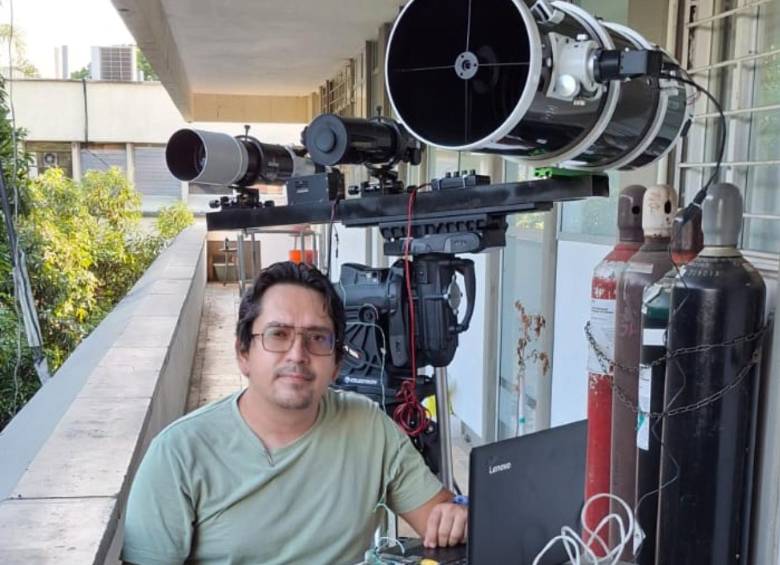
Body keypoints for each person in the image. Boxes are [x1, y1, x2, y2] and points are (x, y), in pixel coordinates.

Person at [122, 261, 467, 565]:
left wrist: (455, 518)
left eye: (317, 338)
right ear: (243, 353)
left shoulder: (369, 427)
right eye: (278, 334)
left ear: (336, 365)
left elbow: (438, 519)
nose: (297, 354)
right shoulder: (178, 454)